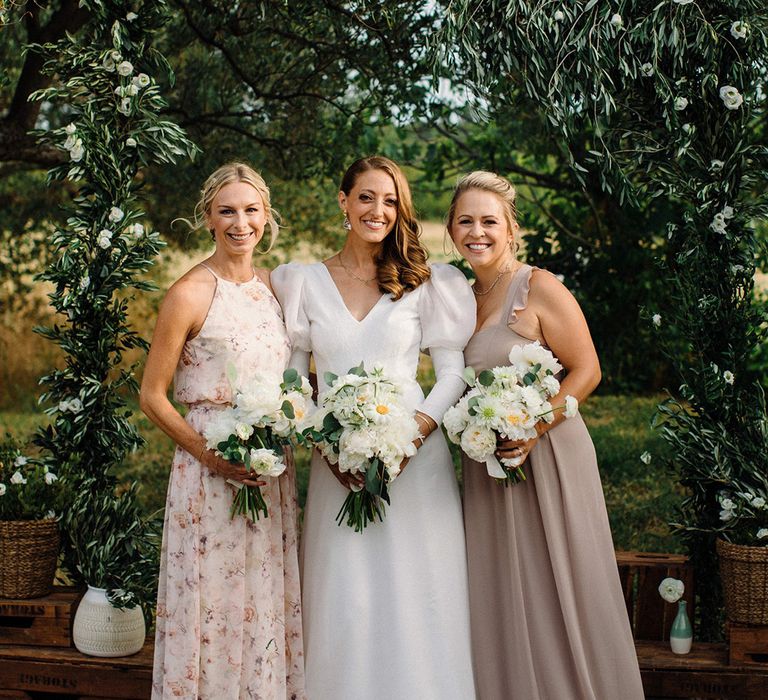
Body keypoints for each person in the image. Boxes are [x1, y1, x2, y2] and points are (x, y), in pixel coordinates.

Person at [271, 156, 477, 700]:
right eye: (366, 197)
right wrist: (325, 444)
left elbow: (452, 372)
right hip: (335, 458)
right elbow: (294, 381)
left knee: (418, 589)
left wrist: (414, 435)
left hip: (416, 458)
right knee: (347, 594)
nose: (377, 211)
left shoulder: (425, 282)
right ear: (343, 201)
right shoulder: (304, 283)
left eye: (389, 201)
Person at [448, 171, 644, 700]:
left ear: (511, 228)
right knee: (507, 588)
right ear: (450, 230)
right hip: (490, 464)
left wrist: (534, 426)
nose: (477, 231)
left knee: (565, 578)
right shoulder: (462, 298)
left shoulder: (538, 286)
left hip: (550, 453)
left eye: (489, 220)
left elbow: (587, 370)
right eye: (465, 221)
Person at [140, 163, 305, 699]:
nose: (241, 223)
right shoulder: (189, 292)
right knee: (210, 601)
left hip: (268, 475)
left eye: (251, 210)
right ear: (207, 217)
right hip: (207, 475)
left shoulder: (273, 288)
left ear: (267, 217)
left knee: (261, 599)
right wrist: (211, 456)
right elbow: (152, 396)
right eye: (228, 211)